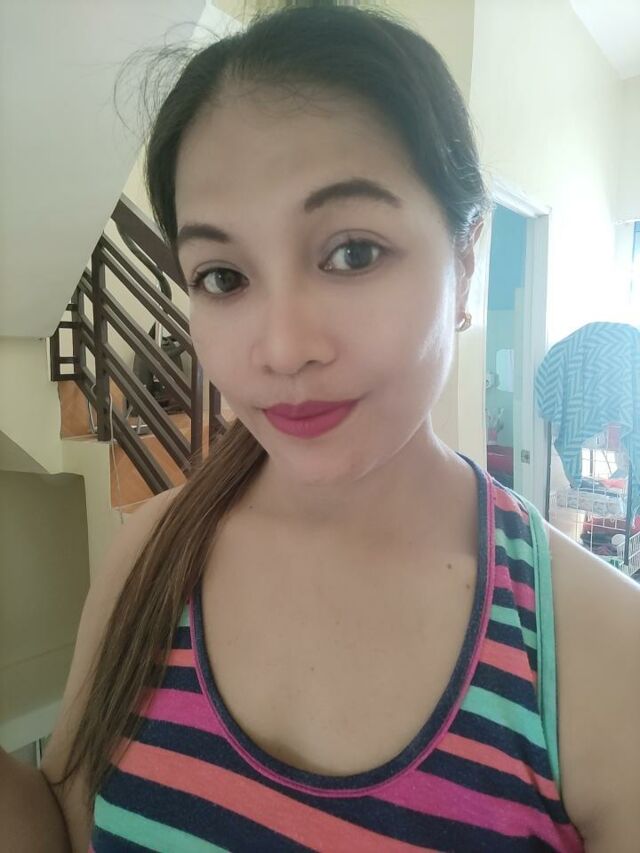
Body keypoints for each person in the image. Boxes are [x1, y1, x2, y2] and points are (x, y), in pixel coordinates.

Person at [2, 2, 639, 851]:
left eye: (353, 253)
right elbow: (65, 824)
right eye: (222, 275)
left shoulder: (602, 655)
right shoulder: (150, 557)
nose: (283, 348)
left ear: (464, 262)